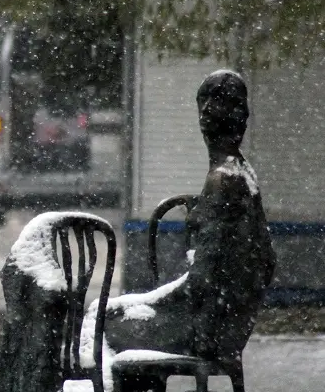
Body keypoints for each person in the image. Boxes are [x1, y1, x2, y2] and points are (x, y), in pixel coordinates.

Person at [104, 69, 275, 361]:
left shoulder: (223, 181)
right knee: (113, 314)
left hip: (203, 332)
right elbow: (264, 262)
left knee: (97, 326)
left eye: (209, 108)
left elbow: (202, 283)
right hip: (227, 328)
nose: (204, 115)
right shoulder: (244, 174)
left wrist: (151, 299)